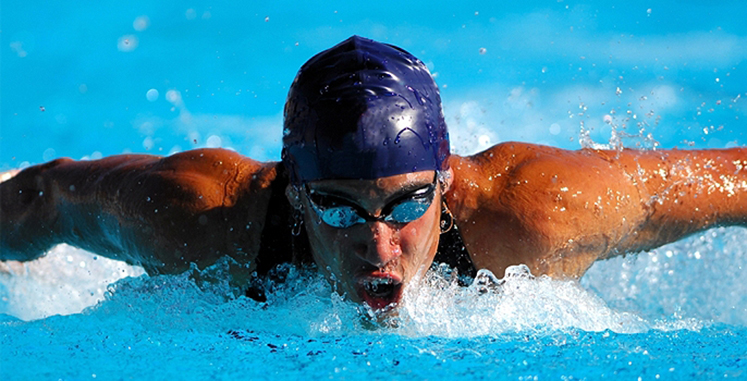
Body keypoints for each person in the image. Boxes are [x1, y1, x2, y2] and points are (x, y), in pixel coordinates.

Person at [1, 36, 745, 312]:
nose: (378, 242)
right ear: (294, 194)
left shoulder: (534, 214)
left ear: (445, 182)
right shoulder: (200, 219)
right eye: (339, 207)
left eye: (405, 202)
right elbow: (50, 194)